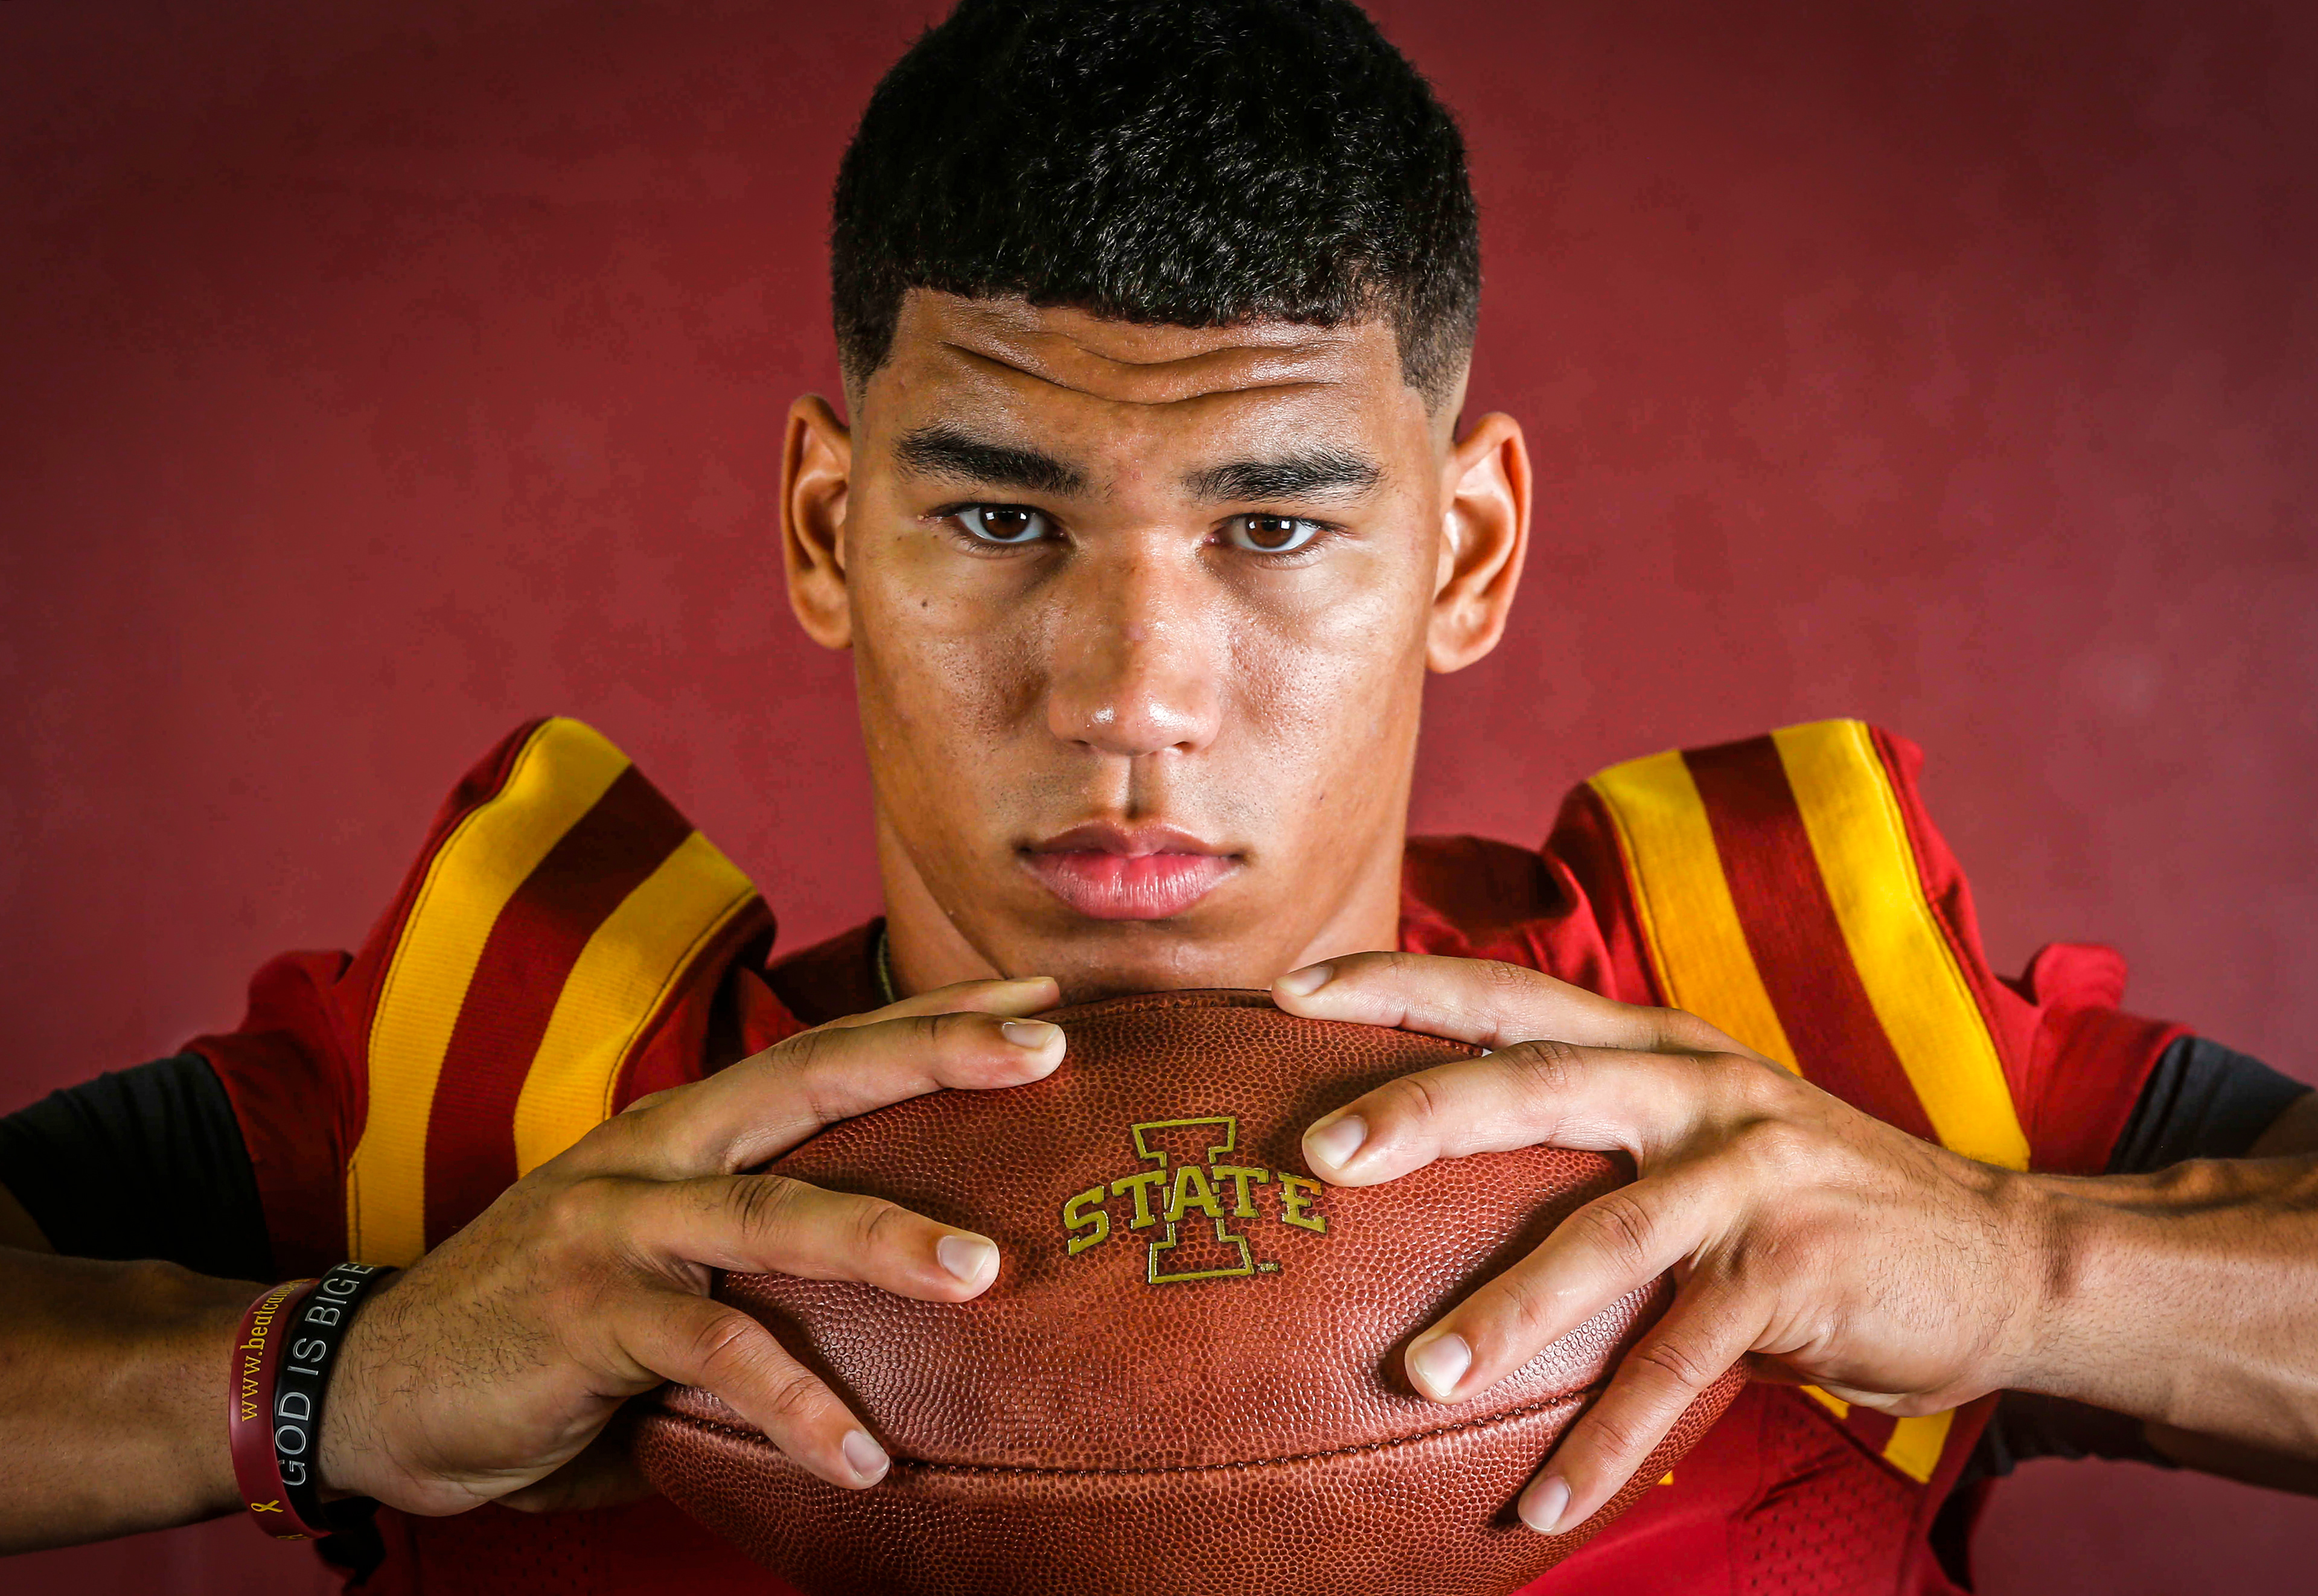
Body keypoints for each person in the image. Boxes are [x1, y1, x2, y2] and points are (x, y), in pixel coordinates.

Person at [4, 1, 2315, 1591]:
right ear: (828, 528)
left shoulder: (1806, 1059)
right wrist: (327, 1368)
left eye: (1275, 526)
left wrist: (2031, 1270)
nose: (1132, 691)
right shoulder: (513, 1112)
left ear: (1468, 547)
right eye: (1000, 519)